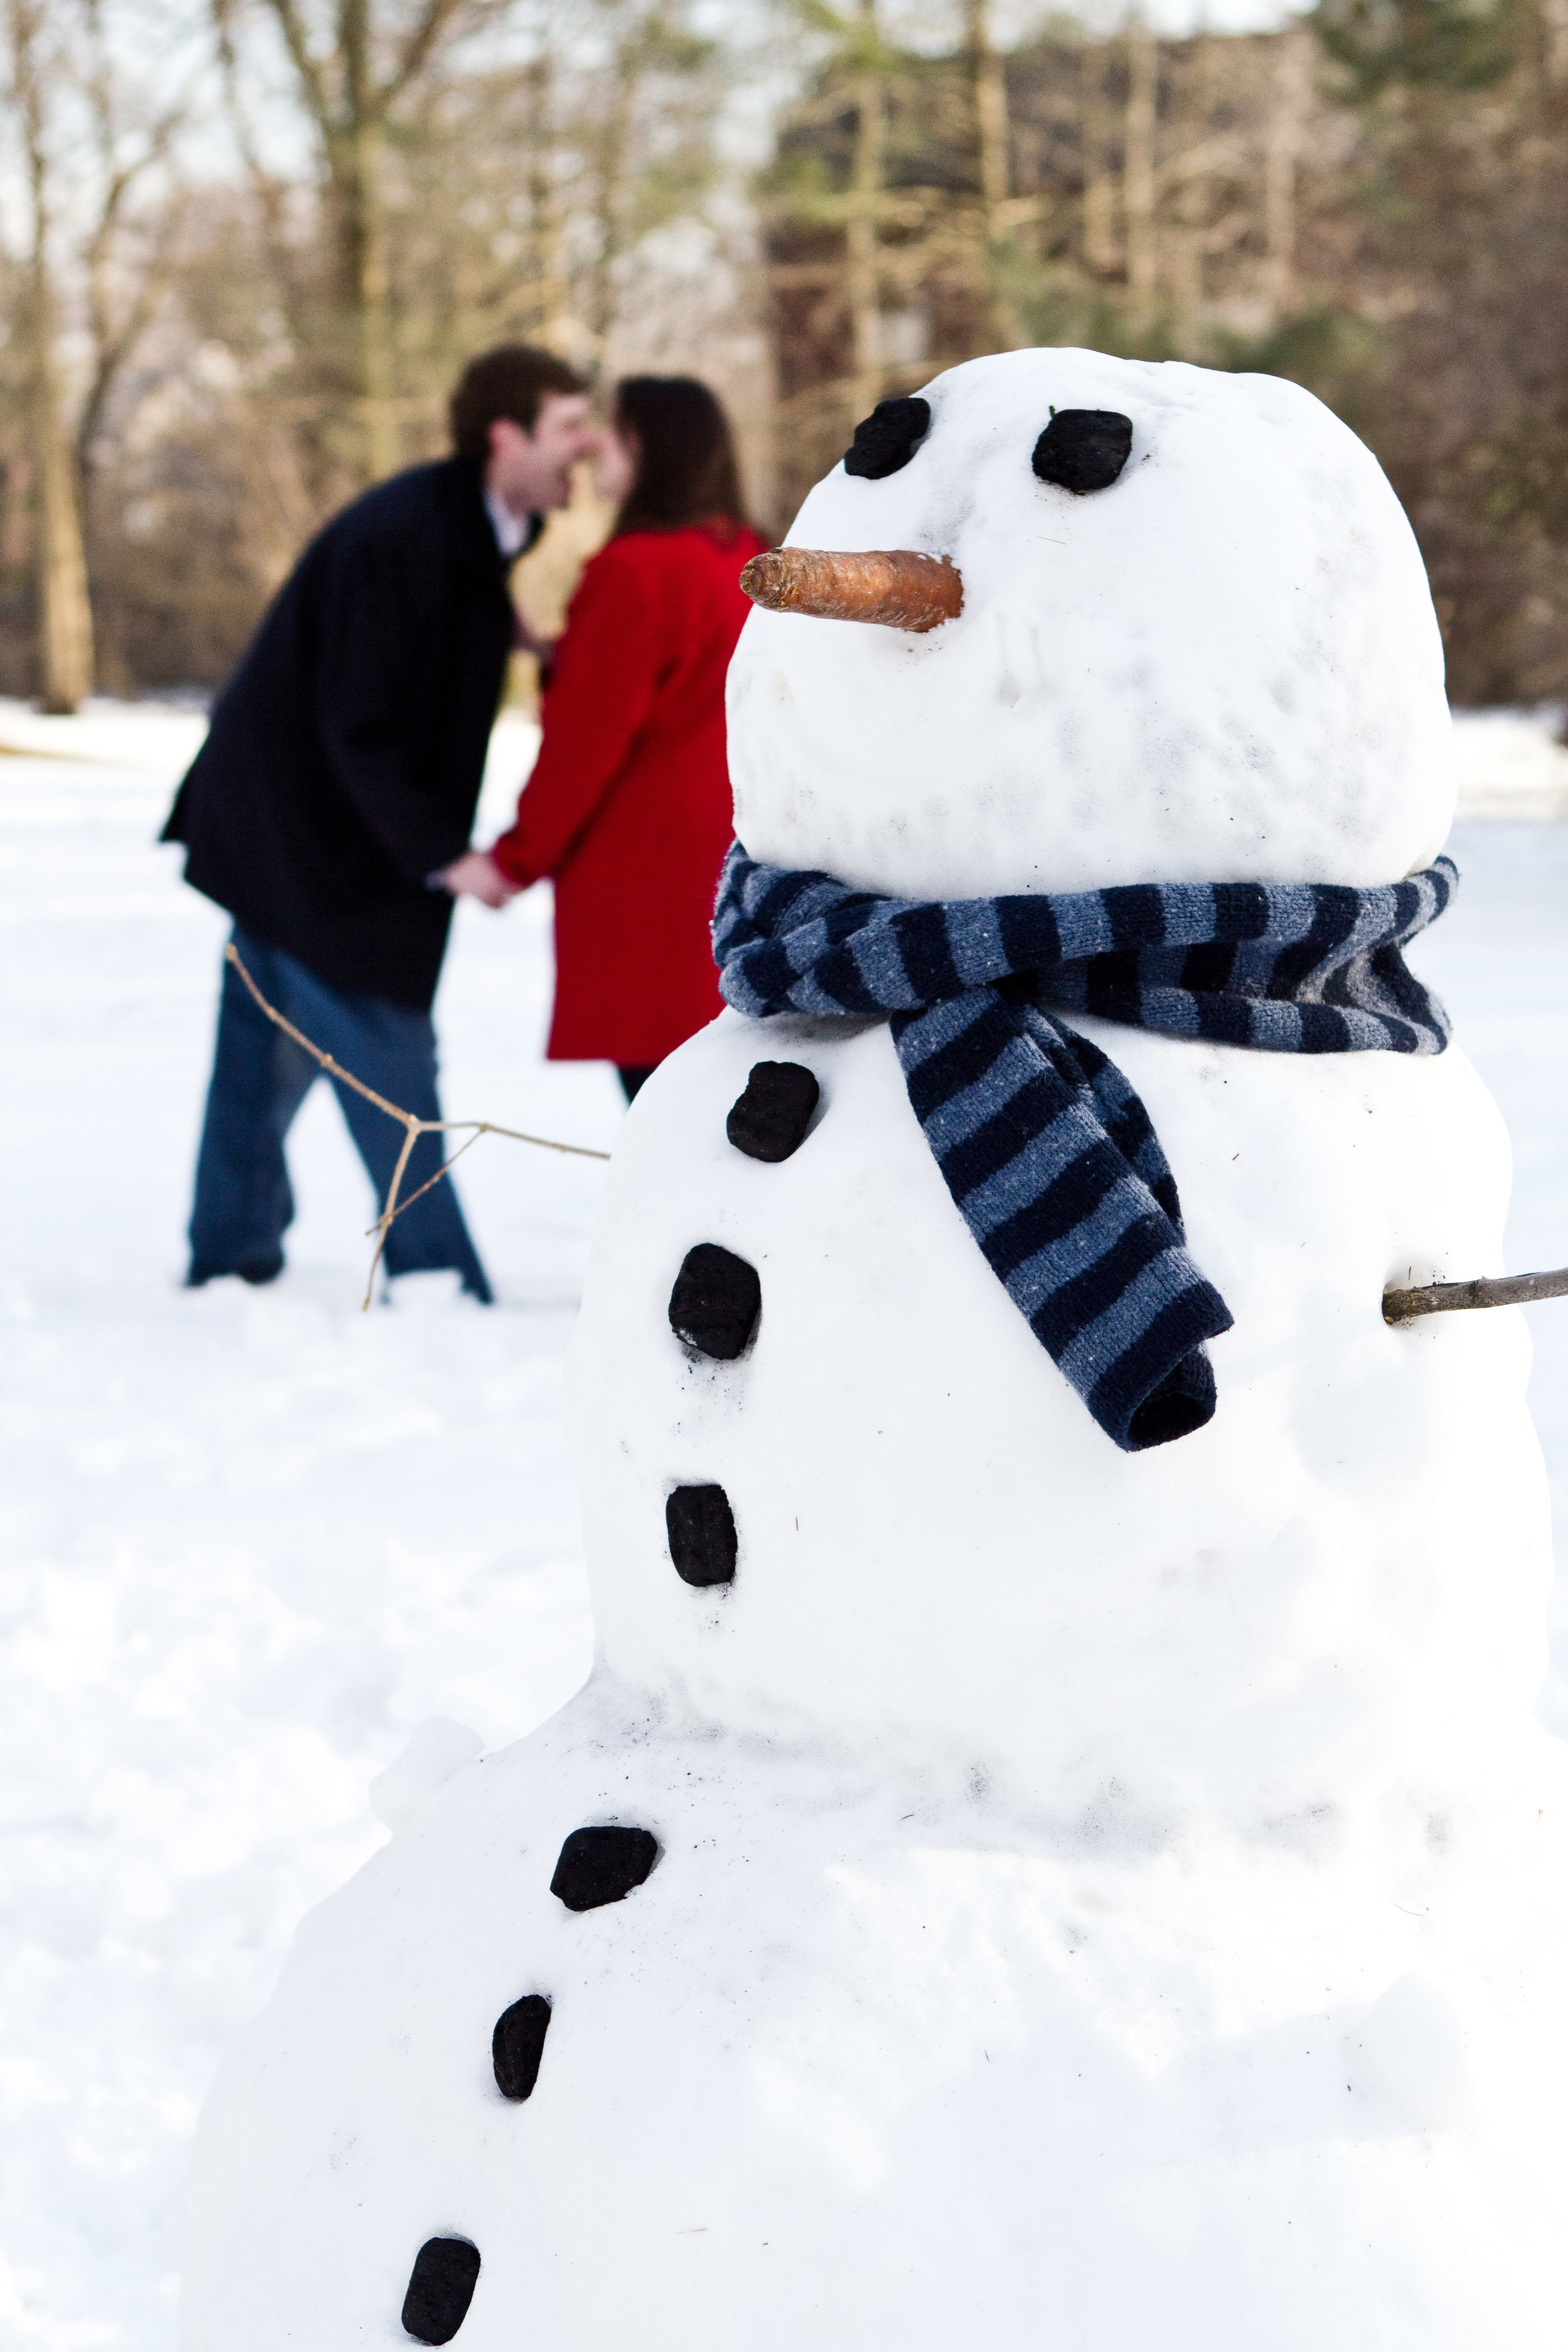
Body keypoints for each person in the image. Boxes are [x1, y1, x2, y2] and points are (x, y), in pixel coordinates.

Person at [163, 344, 598, 1298]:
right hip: (308, 839)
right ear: (505, 436)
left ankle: (230, 1245)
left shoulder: (475, 530)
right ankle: (437, 1274)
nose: (589, 446)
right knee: (382, 1039)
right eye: (569, 426)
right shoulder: (409, 538)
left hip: (290, 832)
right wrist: (448, 857)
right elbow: (359, 720)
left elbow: (426, 649)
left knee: (266, 1039)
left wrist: (517, 637)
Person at [441, 376, 768, 1102]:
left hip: (651, 892)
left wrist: (514, 860)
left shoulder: (633, 573)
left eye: (609, 433)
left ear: (644, 446)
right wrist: (570, 652)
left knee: (667, 1119)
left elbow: (583, 749)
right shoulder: (747, 556)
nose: (591, 452)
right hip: (738, 872)